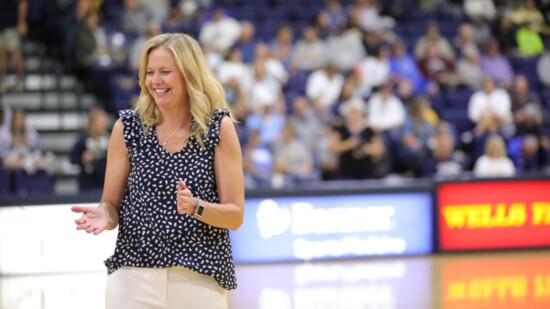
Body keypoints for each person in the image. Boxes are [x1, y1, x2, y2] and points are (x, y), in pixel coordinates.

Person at [71, 33, 244, 309]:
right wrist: (104, 215)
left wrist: (196, 207)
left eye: (165, 72)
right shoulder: (127, 128)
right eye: (149, 72)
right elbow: (111, 204)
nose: (155, 81)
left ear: (189, 74)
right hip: (132, 277)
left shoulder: (218, 128)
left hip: (198, 277)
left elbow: (235, 215)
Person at [70, 107, 110, 193]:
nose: (105, 123)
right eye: (102, 120)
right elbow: (73, 159)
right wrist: (82, 159)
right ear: (94, 122)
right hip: (88, 183)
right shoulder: (83, 139)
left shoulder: (109, 138)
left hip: (105, 181)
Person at [0, 0, 27, 92]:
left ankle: (20, 80)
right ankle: (2, 80)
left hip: (11, 24)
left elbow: (22, 3)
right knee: (1, 54)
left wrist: (21, 21)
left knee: (15, 53)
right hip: (1, 25)